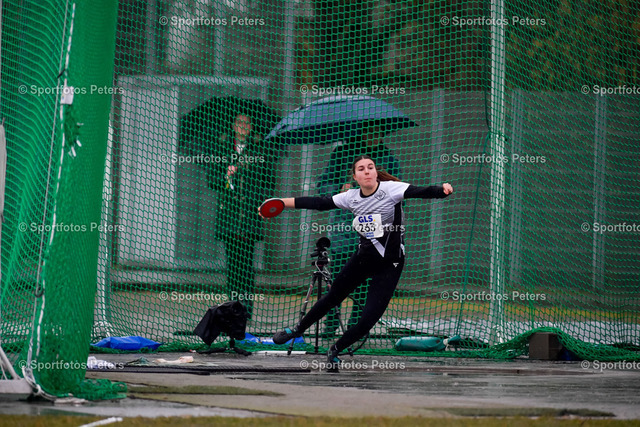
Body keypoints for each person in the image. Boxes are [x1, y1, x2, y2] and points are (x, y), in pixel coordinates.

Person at [265, 155, 453, 371]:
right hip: (363, 259)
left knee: (368, 319)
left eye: (370, 167)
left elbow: (421, 191)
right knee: (333, 297)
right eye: (361, 169)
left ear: (375, 172)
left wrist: (442, 190)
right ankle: (297, 330)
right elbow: (319, 203)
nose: (367, 171)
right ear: (355, 177)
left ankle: (335, 350)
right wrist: (283, 203)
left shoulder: (392, 189)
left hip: (390, 264)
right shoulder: (351, 197)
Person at [317, 124, 402, 335]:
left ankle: (355, 328)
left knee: (365, 282)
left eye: (378, 132)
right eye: (369, 131)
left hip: (373, 229)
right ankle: (330, 325)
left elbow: (399, 192)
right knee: (337, 280)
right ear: (361, 132)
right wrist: (339, 190)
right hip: (343, 228)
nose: (373, 135)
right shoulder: (342, 154)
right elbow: (323, 185)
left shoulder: (388, 158)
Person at [208, 113, 276, 320]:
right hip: (229, 215)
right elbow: (211, 180)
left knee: (247, 265)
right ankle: (232, 307)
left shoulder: (260, 149)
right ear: (233, 125)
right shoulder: (222, 148)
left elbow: (269, 181)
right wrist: (226, 176)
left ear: (252, 126)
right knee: (232, 265)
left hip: (249, 215)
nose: (243, 126)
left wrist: (261, 203)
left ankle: (246, 309)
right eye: (239, 122)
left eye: (247, 123)